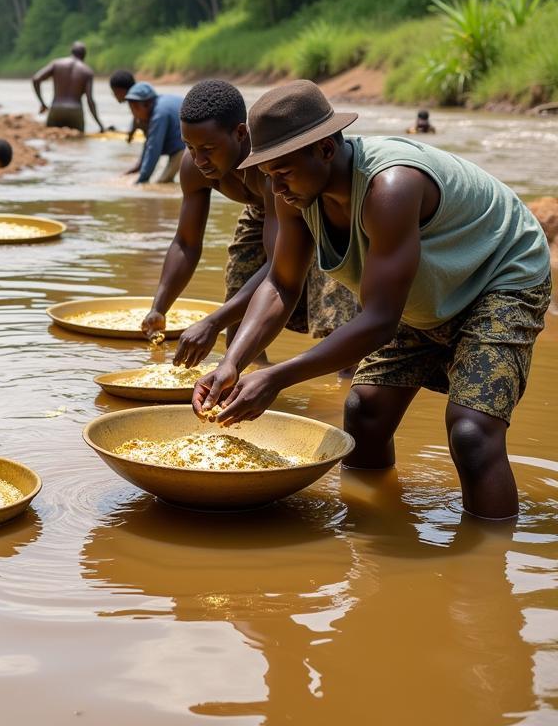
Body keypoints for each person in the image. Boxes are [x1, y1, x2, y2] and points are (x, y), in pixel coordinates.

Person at [193, 80, 551, 519]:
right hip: (425, 290)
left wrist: (278, 378)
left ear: (325, 149)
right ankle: (372, 540)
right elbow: (281, 285)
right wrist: (233, 361)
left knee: (472, 434)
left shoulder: (391, 187)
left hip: (499, 277)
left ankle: (484, 570)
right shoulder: (295, 193)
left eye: (283, 172)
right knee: (364, 411)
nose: (277, 187)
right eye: (268, 175)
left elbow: (380, 320)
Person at [141, 79, 358, 366]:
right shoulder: (194, 168)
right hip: (261, 211)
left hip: (307, 203)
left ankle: (341, 387)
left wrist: (212, 322)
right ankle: (247, 375)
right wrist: (159, 307)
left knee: (335, 312)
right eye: (190, 147)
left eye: (208, 148)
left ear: (240, 133)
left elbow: (277, 267)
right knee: (238, 296)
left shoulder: (273, 172)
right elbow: (186, 243)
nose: (199, 159)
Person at [31, 42, 107, 133]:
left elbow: (36, 79)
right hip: (75, 111)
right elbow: (90, 100)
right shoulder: (87, 71)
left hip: (56, 109)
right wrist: (100, 125)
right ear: (84, 55)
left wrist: (42, 103)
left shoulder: (57, 64)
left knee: (51, 140)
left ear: (71, 52)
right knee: (78, 142)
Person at [124, 82, 186, 184]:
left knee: (162, 183)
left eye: (135, 108)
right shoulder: (159, 104)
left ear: (147, 104)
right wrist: (139, 167)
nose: (134, 114)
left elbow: (154, 149)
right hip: (185, 141)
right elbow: (149, 143)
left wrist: (141, 180)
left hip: (186, 146)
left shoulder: (159, 115)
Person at [109, 69, 143, 142]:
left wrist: (130, 136)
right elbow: (136, 119)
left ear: (120, 91)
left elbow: (139, 120)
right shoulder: (136, 97)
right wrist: (130, 136)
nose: (115, 96)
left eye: (114, 93)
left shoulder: (135, 101)